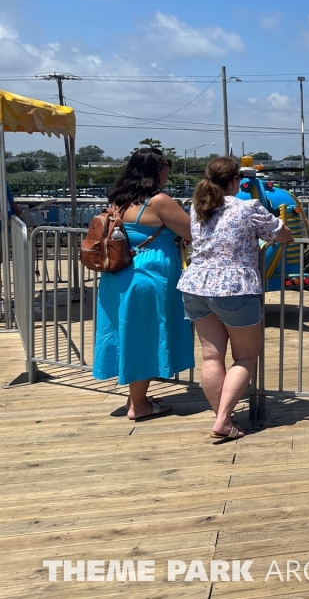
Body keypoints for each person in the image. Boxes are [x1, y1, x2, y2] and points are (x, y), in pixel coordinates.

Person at [177, 158, 293, 440]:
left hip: (196, 285)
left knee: (211, 356)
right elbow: (283, 235)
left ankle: (223, 417)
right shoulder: (248, 208)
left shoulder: (197, 208)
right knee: (245, 356)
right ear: (235, 182)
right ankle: (223, 419)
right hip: (235, 288)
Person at [93, 148, 194, 420]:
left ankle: (136, 398)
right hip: (149, 275)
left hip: (119, 273)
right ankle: (139, 405)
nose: (168, 169)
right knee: (145, 337)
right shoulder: (159, 201)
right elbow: (192, 231)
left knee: (128, 333)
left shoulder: (119, 200)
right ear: (157, 169)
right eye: (166, 164)